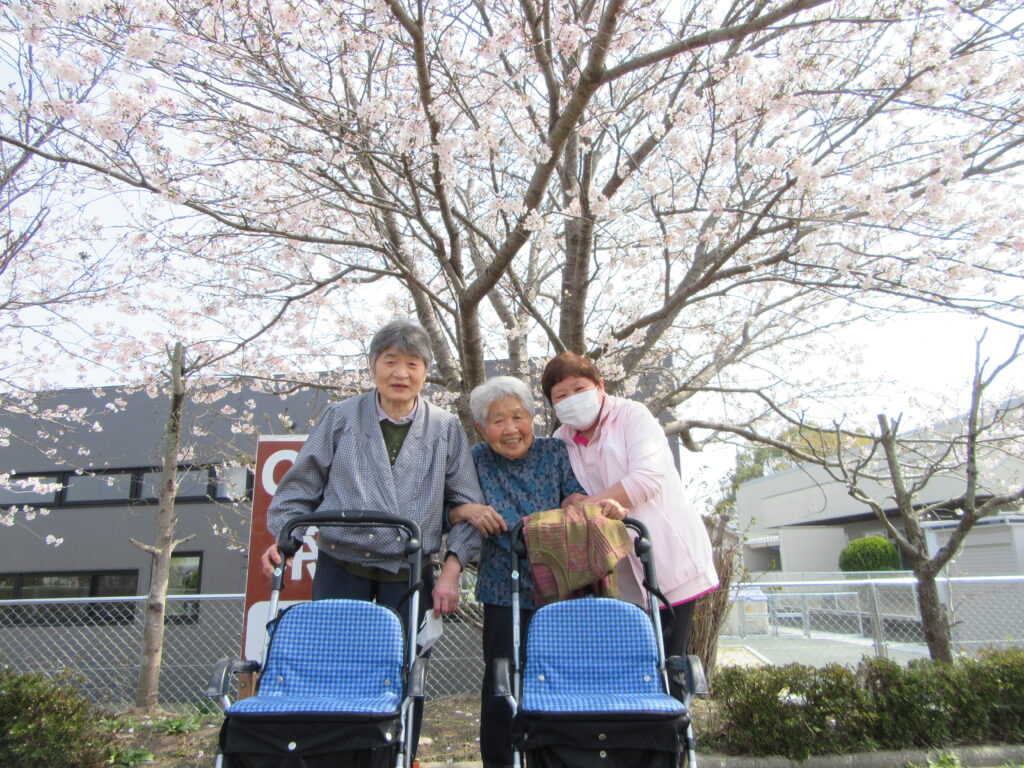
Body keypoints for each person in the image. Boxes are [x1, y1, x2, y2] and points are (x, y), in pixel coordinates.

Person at [260, 319, 485, 761]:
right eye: (390, 362)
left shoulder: (444, 427)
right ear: (372, 366)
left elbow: (468, 505)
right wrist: (286, 538)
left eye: (413, 364)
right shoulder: (341, 416)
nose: (401, 373)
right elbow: (301, 486)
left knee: (406, 671)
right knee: (335, 668)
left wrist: (452, 568)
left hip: (410, 570)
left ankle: (400, 755)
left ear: (425, 372)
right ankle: (336, 756)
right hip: (341, 563)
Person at [449, 376, 626, 768]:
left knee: (561, 680)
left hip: (562, 587)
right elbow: (450, 506)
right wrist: (466, 510)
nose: (511, 428)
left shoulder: (554, 451)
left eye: (518, 416)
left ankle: (557, 759)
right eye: (498, 420)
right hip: (503, 587)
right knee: (502, 684)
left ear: (532, 418)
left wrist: (595, 505)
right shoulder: (476, 459)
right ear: (481, 427)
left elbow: (573, 494)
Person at [540, 351, 719, 659]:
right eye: (561, 395)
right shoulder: (561, 439)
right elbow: (567, 491)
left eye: (579, 389)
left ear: (600, 386)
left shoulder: (632, 415)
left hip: (664, 556)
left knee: (670, 662)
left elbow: (646, 479)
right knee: (632, 666)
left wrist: (587, 505)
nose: (572, 399)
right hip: (616, 573)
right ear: (553, 404)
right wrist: (572, 500)